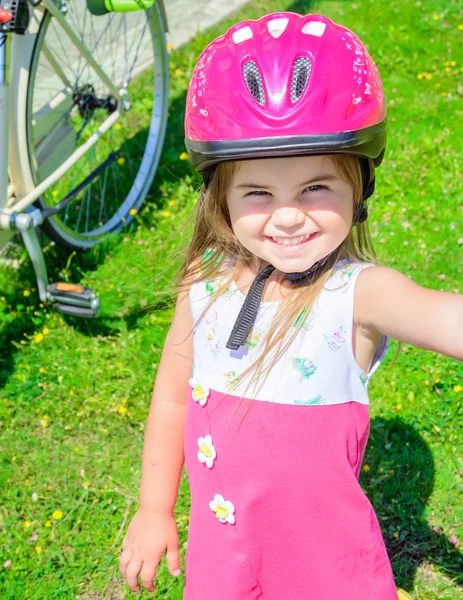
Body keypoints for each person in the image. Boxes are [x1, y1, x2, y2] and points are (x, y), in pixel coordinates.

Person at [118, 12, 462, 600]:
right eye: (258, 192)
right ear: (220, 199)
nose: (287, 215)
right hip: (221, 563)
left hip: (326, 574)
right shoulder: (204, 283)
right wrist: (155, 510)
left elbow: (441, 317)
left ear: (359, 187)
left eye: (315, 187)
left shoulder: (358, 294)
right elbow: (173, 395)